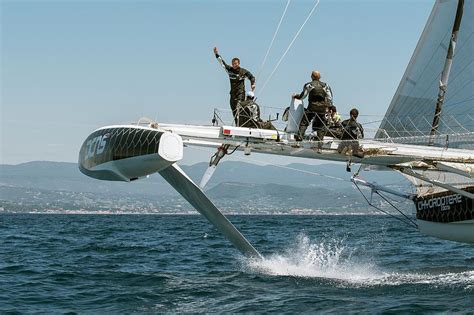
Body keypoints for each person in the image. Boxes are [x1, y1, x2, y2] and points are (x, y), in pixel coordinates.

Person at [214, 47, 256, 125]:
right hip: (232, 94)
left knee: (239, 109)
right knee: (234, 110)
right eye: (233, 64)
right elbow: (222, 63)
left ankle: (241, 124)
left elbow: (251, 77)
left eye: (236, 63)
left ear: (239, 63)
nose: (234, 65)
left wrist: (252, 84)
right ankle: (238, 124)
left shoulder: (243, 71)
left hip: (240, 93)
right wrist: (216, 54)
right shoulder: (230, 70)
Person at [292, 70, 333, 147]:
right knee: (320, 127)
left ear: (311, 76)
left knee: (304, 123)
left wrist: (295, 96)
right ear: (320, 77)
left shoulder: (308, 85)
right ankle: (320, 145)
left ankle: (299, 140)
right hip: (322, 109)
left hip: (311, 108)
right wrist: (329, 107)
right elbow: (330, 98)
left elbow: (303, 96)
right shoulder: (326, 85)